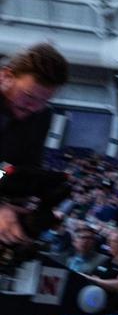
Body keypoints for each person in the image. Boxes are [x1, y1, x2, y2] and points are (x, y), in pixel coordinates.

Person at [0, 43, 69, 246]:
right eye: (29, 96)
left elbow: (19, 169)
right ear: (5, 77)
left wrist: (27, 205)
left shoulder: (40, 116)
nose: (33, 107)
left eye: (43, 100)